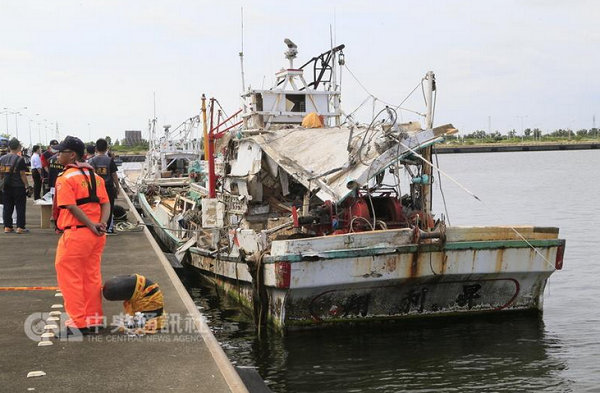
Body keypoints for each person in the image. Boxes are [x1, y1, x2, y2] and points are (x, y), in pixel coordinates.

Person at [53, 136, 110, 334]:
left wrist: (90, 224)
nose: (58, 155)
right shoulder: (95, 177)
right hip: (96, 236)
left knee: (70, 277)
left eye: (61, 152)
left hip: (76, 233)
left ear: (72, 155)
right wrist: (101, 223)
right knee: (91, 277)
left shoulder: (65, 178)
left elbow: (69, 205)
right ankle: (94, 319)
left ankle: (77, 322)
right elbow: (106, 202)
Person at [88, 138, 119, 234]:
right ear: (106, 148)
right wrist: (117, 187)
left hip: (95, 188)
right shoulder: (110, 160)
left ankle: (97, 225)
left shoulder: (91, 161)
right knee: (109, 207)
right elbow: (114, 175)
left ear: (96, 149)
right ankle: (108, 228)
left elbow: (89, 175)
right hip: (108, 187)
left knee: (96, 207)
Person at [0, 138, 31, 234]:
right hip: (18, 187)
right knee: (20, 207)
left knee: (7, 207)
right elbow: (22, 174)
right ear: (19, 147)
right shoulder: (20, 159)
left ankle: (7, 227)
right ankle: (20, 227)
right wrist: (27, 186)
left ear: (9, 147)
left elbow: (1, 173)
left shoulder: (2, 158)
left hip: (6, 186)